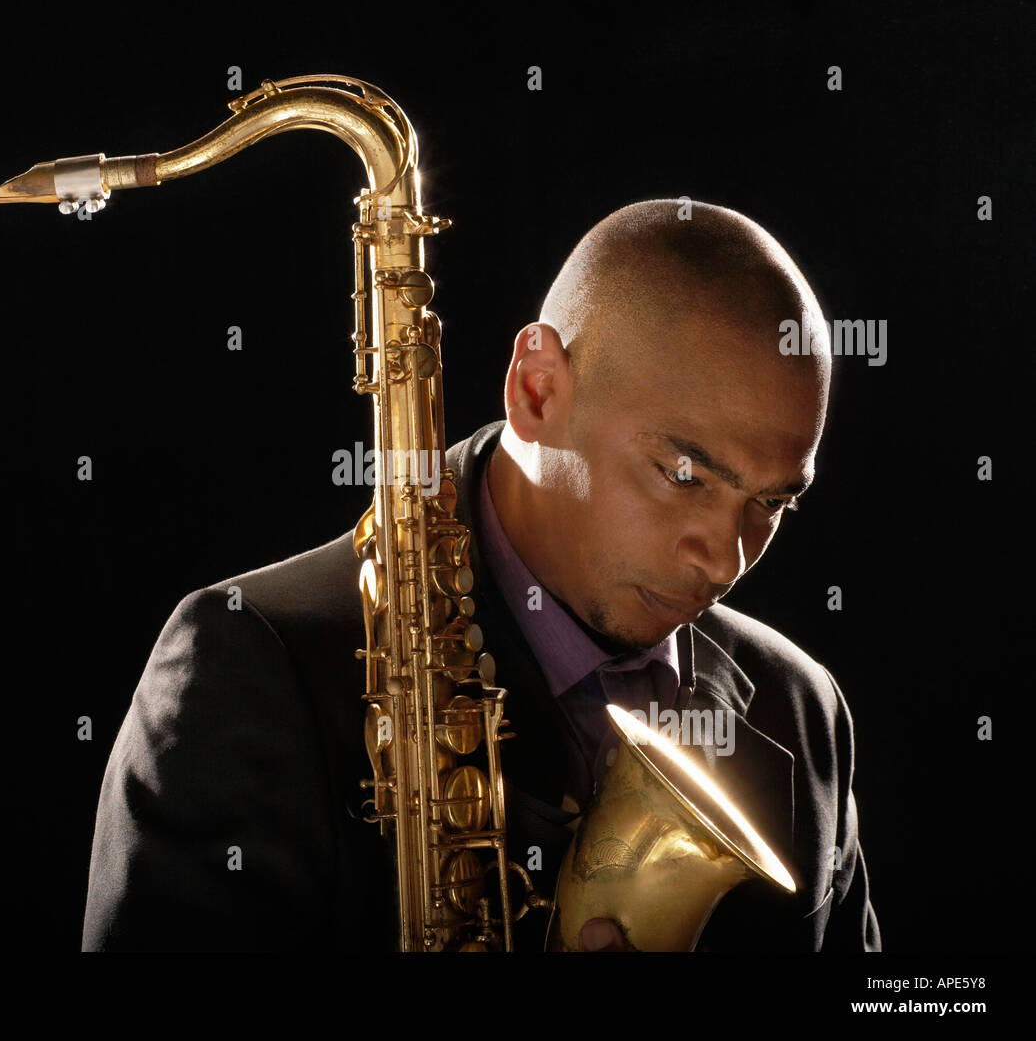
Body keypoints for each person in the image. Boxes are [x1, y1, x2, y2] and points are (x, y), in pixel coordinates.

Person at [80, 198, 881, 952]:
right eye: (682, 474)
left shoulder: (802, 710)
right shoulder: (252, 663)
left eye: (771, 504)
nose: (726, 559)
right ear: (538, 390)